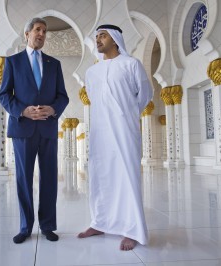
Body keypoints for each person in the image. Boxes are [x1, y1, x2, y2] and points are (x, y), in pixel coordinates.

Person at [78, 24, 153, 251]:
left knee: (126, 178)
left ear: (116, 39)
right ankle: (100, 222)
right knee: (100, 177)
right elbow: (94, 98)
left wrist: (126, 115)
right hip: (100, 133)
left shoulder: (131, 65)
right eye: (97, 36)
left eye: (103, 35)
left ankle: (132, 230)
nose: (98, 39)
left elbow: (144, 95)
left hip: (124, 132)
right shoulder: (92, 72)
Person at [0, 17, 69, 244]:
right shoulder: (13, 62)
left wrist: (53, 109)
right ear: (27, 33)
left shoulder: (54, 64)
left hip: (48, 128)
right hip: (23, 129)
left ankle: (48, 225)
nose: (42, 34)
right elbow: (4, 96)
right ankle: (25, 227)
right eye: (38, 30)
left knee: (49, 178)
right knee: (23, 179)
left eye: (45, 31)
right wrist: (23, 111)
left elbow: (63, 96)